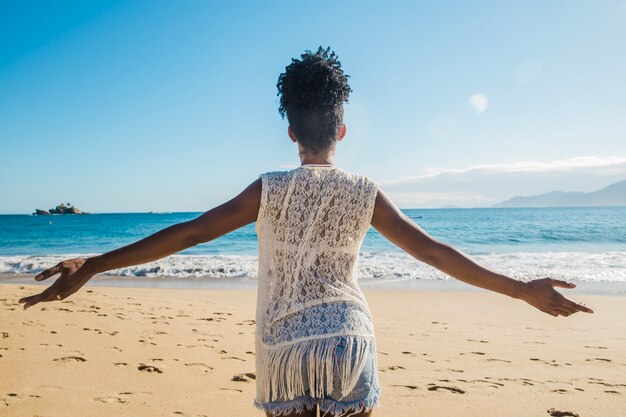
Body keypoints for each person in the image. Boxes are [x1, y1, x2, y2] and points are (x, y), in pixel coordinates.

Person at [18, 46, 594, 417]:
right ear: (342, 126)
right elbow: (434, 253)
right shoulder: (365, 192)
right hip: (350, 342)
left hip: (285, 351)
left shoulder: (267, 188)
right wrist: (522, 289)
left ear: (290, 129)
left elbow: (190, 234)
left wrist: (92, 265)